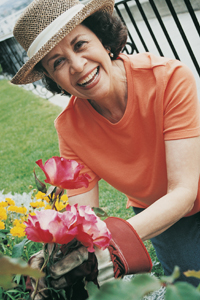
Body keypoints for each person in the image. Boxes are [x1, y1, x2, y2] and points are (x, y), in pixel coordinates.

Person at [11, 0, 200, 297]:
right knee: (191, 287)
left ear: (103, 39)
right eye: (57, 62)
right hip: (156, 210)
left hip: (185, 192)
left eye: (80, 44)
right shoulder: (70, 127)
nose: (77, 65)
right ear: (52, 78)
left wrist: (111, 243)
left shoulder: (168, 78)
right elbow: (83, 215)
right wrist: (55, 256)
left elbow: (184, 192)